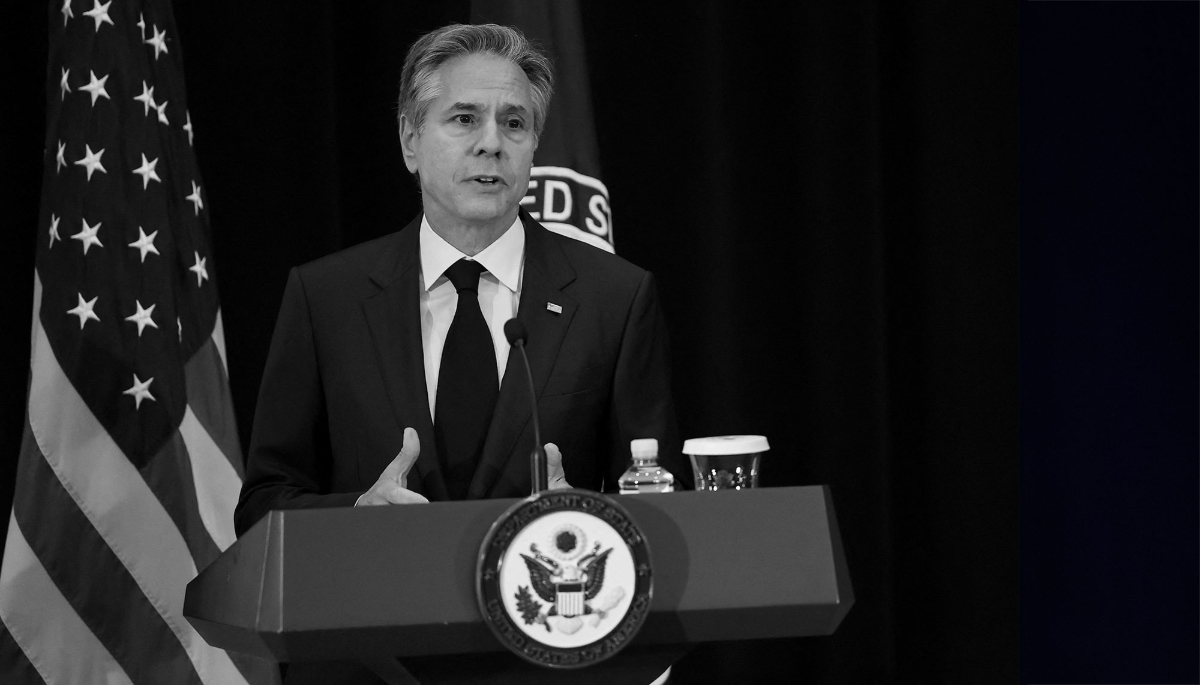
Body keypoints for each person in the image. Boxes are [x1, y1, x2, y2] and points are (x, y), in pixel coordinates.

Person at [234, 23, 687, 539]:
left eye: (514, 123)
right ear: (410, 140)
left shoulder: (615, 298)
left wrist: (591, 522)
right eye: (465, 119)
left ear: (534, 145)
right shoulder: (326, 299)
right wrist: (357, 514)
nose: (491, 143)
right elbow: (261, 505)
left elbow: (662, 509)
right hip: (382, 608)